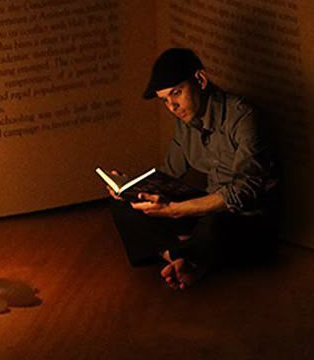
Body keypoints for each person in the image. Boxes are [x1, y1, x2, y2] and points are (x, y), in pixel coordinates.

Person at [108, 47, 281, 290]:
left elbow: (244, 191)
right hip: (206, 211)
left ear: (200, 80)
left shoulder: (242, 116)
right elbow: (169, 174)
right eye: (165, 100)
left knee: (214, 225)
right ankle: (184, 259)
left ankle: (185, 257)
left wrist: (176, 210)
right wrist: (132, 188)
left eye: (176, 93)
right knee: (124, 205)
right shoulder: (186, 122)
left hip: (247, 220)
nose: (173, 106)